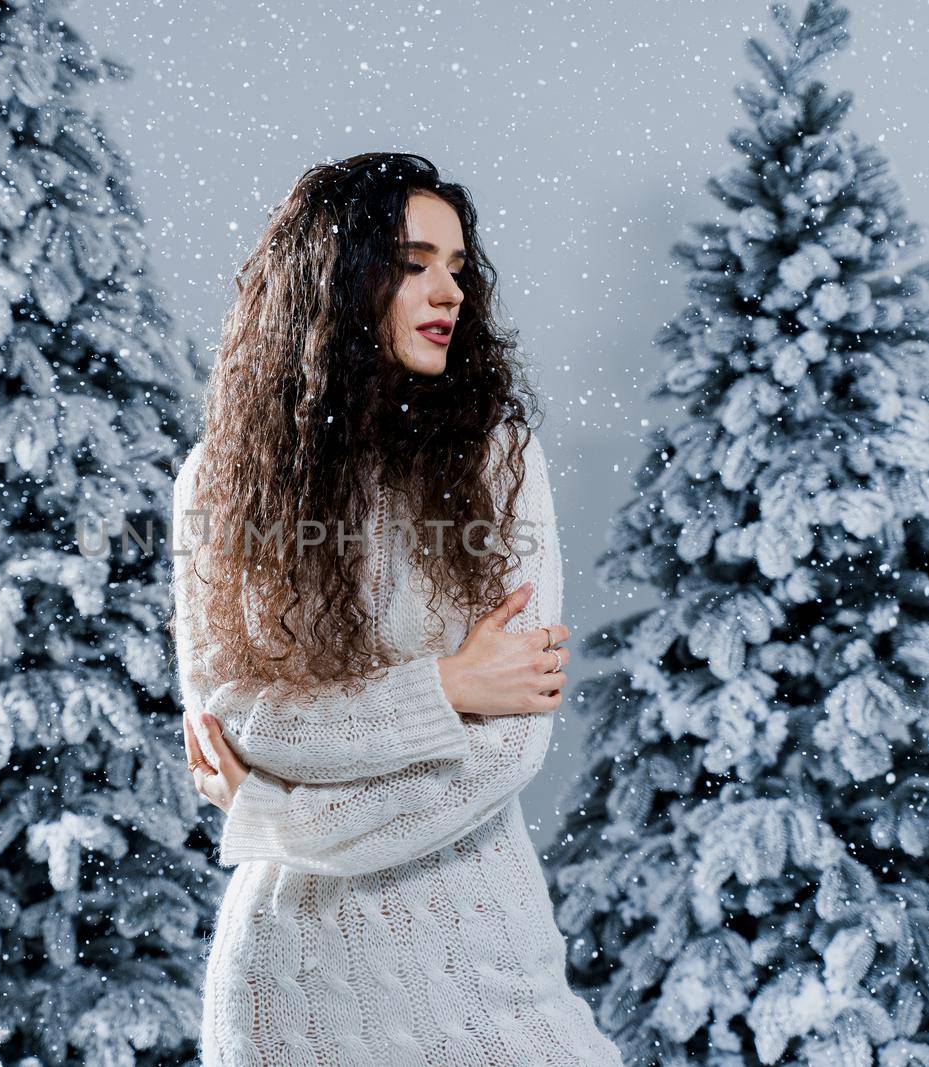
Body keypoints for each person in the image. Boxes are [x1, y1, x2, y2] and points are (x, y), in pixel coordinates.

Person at [171, 151, 623, 1066]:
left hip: (485, 974)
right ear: (336, 277)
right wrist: (448, 686)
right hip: (287, 987)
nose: (447, 289)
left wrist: (278, 817)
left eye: (457, 266)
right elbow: (242, 724)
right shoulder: (221, 481)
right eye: (414, 262)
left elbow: (506, 749)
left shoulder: (499, 463)